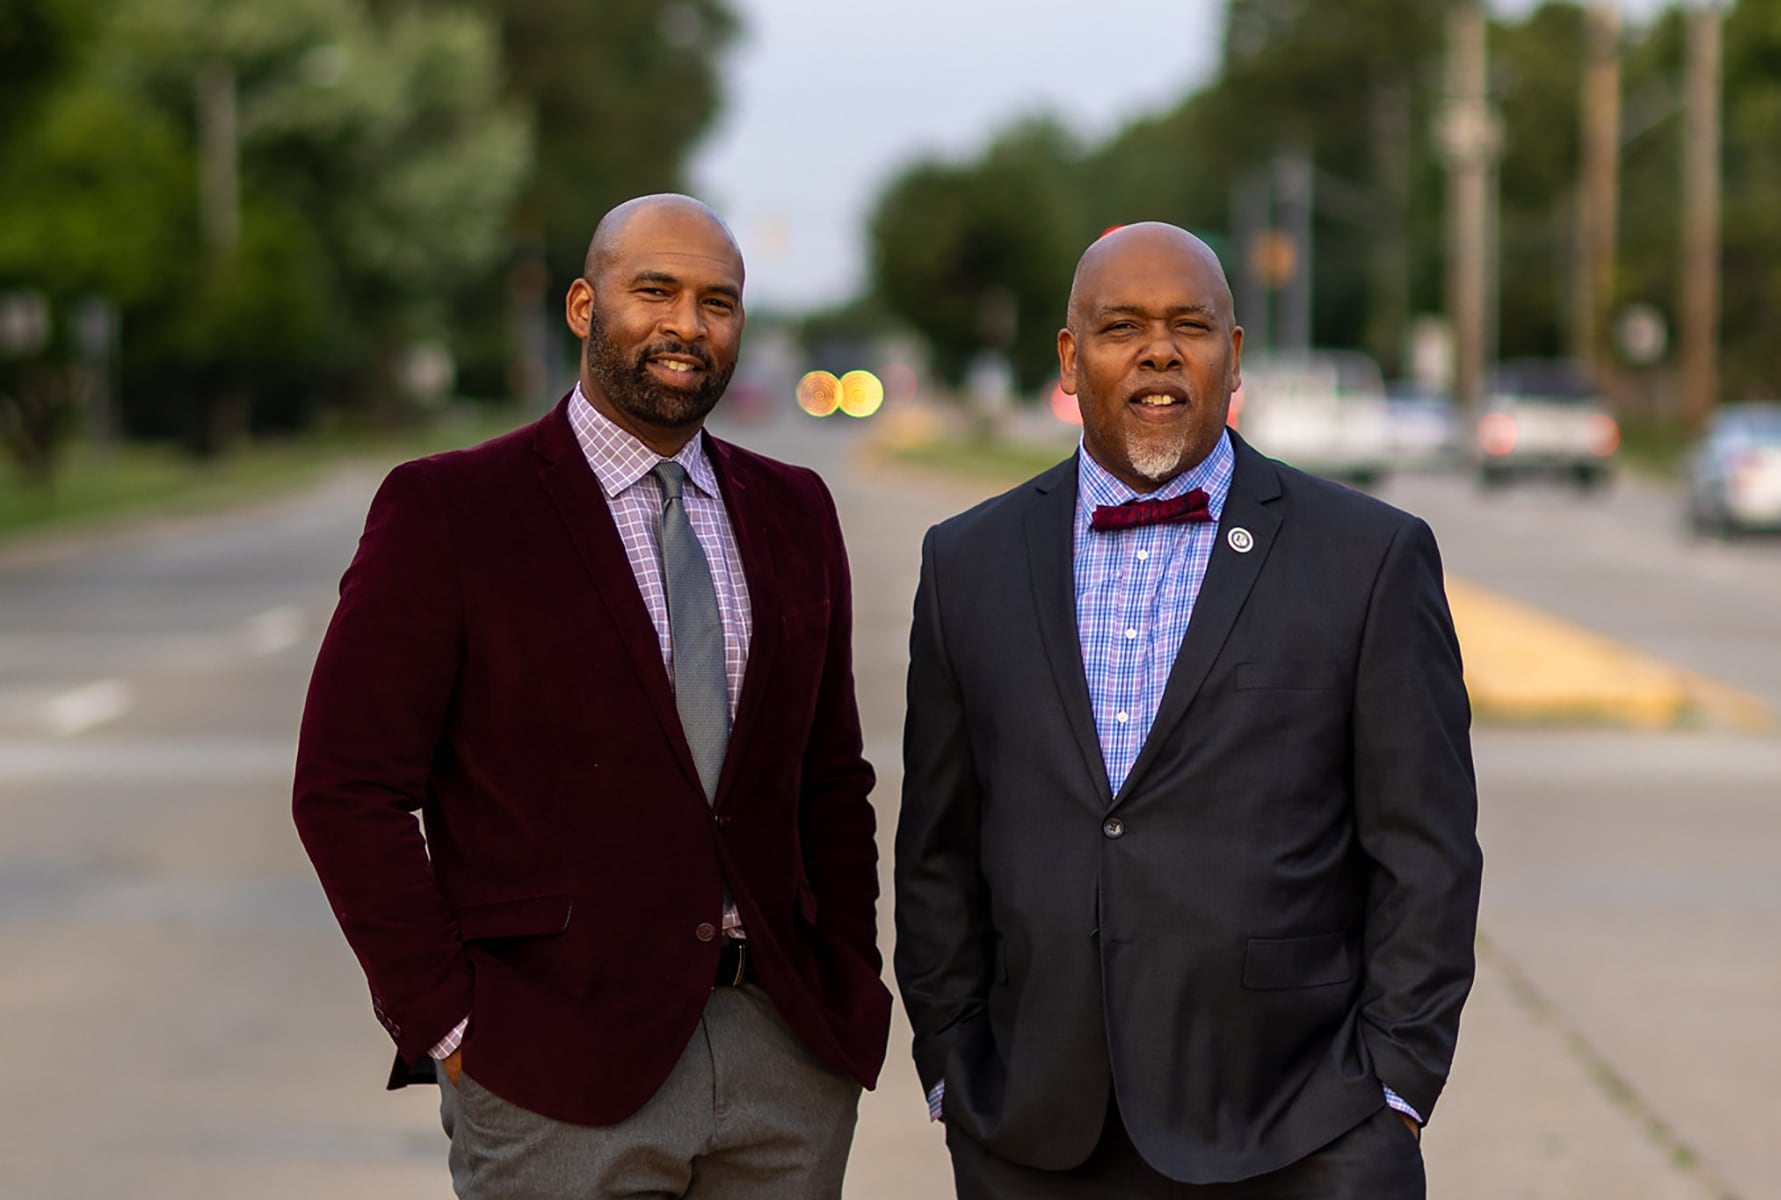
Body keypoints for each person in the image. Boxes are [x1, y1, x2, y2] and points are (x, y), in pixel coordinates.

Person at [293, 194, 889, 1200]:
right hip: (553, 1070)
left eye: (718, 302)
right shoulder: (451, 511)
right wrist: (449, 1022)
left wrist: (849, 985)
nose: (687, 326)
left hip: (783, 1061)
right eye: (654, 291)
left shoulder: (795, 511)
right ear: (582, 305)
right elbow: (346, 789)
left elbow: (830, 780)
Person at [894, 222, 1481, 1198]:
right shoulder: (967, 564)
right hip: (1035, 1132)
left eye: (1190, 325)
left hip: (1302, 1128)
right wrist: (956, 1068)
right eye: (1122, 326)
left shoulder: (1369, 558)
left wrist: (1394, 1088)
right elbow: (937, 852)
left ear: (1234, 355)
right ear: (1071, 359)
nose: (1159, 349)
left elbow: (1425, 851)